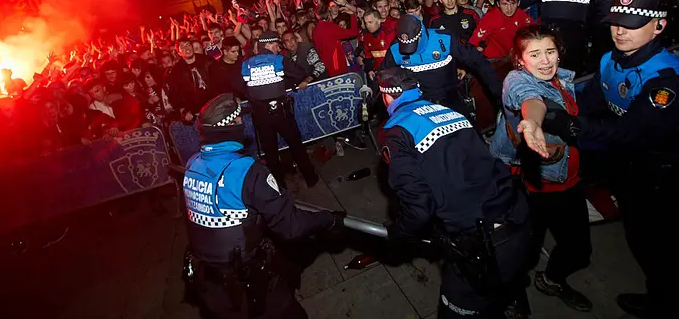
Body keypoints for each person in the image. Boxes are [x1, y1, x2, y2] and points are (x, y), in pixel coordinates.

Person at [535, 0, 679, 318]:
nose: (620, 31)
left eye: (632, 25)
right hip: (632, 170)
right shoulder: (610, 61)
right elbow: (591, 106)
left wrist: (569, 126)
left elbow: (629, 130)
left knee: (677, 253)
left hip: (672, 178)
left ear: (659, 25)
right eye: (616, 23)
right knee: (642, 241)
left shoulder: (671, 81)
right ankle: (658, 296)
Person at [377, 67, 530, 318]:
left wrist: (398, 234)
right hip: (517, 218)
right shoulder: (450, 112)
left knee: (455, 310)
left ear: (387, 97)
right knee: (505, 290)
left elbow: (418, 207)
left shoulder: (395, 132)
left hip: (482, 242)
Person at [183, 93, 341, 319]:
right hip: (251, 285)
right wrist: (328, 219)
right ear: (233, 125)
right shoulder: (247, 171)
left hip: (209, 282)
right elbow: (291, 226)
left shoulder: (192, 163)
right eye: (239, 120)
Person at [489, 25, 592, 312]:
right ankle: (509, 295)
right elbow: (532, 100)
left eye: (550, 51)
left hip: (569, 180)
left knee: (578, 250)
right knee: (523, 253)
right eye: (535, 54)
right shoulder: (516, 81)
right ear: (520, 60)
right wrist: (533, 122)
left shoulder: (562, 78)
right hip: (537, 187)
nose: (545, 60)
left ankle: (551, 279)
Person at [382, 14, 502, 123]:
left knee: (471, 137)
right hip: (420, 106)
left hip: (450, 100)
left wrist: (497, 91)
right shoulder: (395, 49)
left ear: (422, 33)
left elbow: (478, 61)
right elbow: (384, 78)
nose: (411, 49)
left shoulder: (444, 38)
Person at [238, 32, 319, 187]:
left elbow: (240, 86)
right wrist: (285, 84)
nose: (278, 48)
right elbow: (300, 73)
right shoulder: (278, 60)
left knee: (271, 153)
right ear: (268, 45)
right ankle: (310, 178)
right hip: (281, 112)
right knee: (296, 145)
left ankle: (279, 186)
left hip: (260, 116)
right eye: (276, 45)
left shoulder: (247, 64)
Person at [469, 0, 534, 59]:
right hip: (493, 60)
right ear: (498, 4)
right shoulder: (490, 18)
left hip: (513, 57)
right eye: (504, 4)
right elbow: (474, 42)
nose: (509, 9)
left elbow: (536, 33)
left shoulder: (521, 15)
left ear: (518, 3)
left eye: (513, 4)